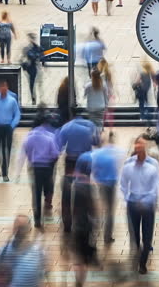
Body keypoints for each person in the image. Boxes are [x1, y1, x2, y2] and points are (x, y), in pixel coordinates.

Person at [120, 136, 159, 274]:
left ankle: (142, 263)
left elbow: (158, 184)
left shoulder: (153, 165)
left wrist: (156, 200)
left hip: (148, 204)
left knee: (147, 237)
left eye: (141, 149)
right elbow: (123, 184)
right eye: (137, 150)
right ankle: (138, 256)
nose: (139, 152)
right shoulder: (128, 165)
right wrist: (126, 199)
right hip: (133, 203)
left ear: (145, 149)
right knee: (135, 236)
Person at [56, 114, 98, 233]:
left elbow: (60, 146)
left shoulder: (66, 127)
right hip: (85, 160)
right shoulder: (90, 126)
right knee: (84, 187)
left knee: (67, 191)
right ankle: (82, 218)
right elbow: (96, 141)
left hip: (71, 160)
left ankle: (67, 223)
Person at [19, 107, 59, 229]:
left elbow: (25, 151)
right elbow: (55, 154)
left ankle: (37, 218)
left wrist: (31, 159)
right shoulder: (49, 137)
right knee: (48, 188)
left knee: (36, 193)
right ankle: (48, 200)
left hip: (35, 168)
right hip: (47, 168)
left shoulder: (30, 137)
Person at [0, 215, 45, 287]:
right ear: (13, 229)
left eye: (22, 228)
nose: (19, 231)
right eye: (17, 228)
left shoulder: (38, 252)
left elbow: (42, 277)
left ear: (29, 229)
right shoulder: (3, 251)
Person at [91, 132, 122, 243]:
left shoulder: (96, 154)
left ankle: (95, 235)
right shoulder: (115, 152)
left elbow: (93, 170)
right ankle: (107, 236)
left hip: (101, 184)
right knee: (109, 211)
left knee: (99, 209)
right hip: (111, 184)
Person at [71, 153, 97, 286]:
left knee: (77, 256)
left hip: (76, 225)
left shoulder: (74, 184)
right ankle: (81, 280)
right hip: (86, 226)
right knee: (84, 257)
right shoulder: (90, 186)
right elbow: (93, 210)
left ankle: (78, 280)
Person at [0, 80, 20, 181]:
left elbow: (17, 113)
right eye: (1, 87)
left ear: (7, 88)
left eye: (5, 87)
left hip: (8, 127)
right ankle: (2, 168)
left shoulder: (12, 100)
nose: (3, 89)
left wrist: (13, 124)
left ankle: (5, 171)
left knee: (7, 149)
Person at [84, 69, 109, 135]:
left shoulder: (88, 85)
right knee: (100, 123)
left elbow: (84, 95)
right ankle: (99, 137)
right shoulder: (103, 85)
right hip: (101, 106)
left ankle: (94, 137)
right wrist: (106, 106)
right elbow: (106, 96)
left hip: (91, 107)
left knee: (92, 122)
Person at [21, 33, 42, 105]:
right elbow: (22, 58)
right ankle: (33, 97)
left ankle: (34, 97)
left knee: (34, 83)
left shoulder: (36, 48)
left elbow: (41, 56)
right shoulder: (28, 48)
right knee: (32, 83)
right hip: (30, 67)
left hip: (34, 67)